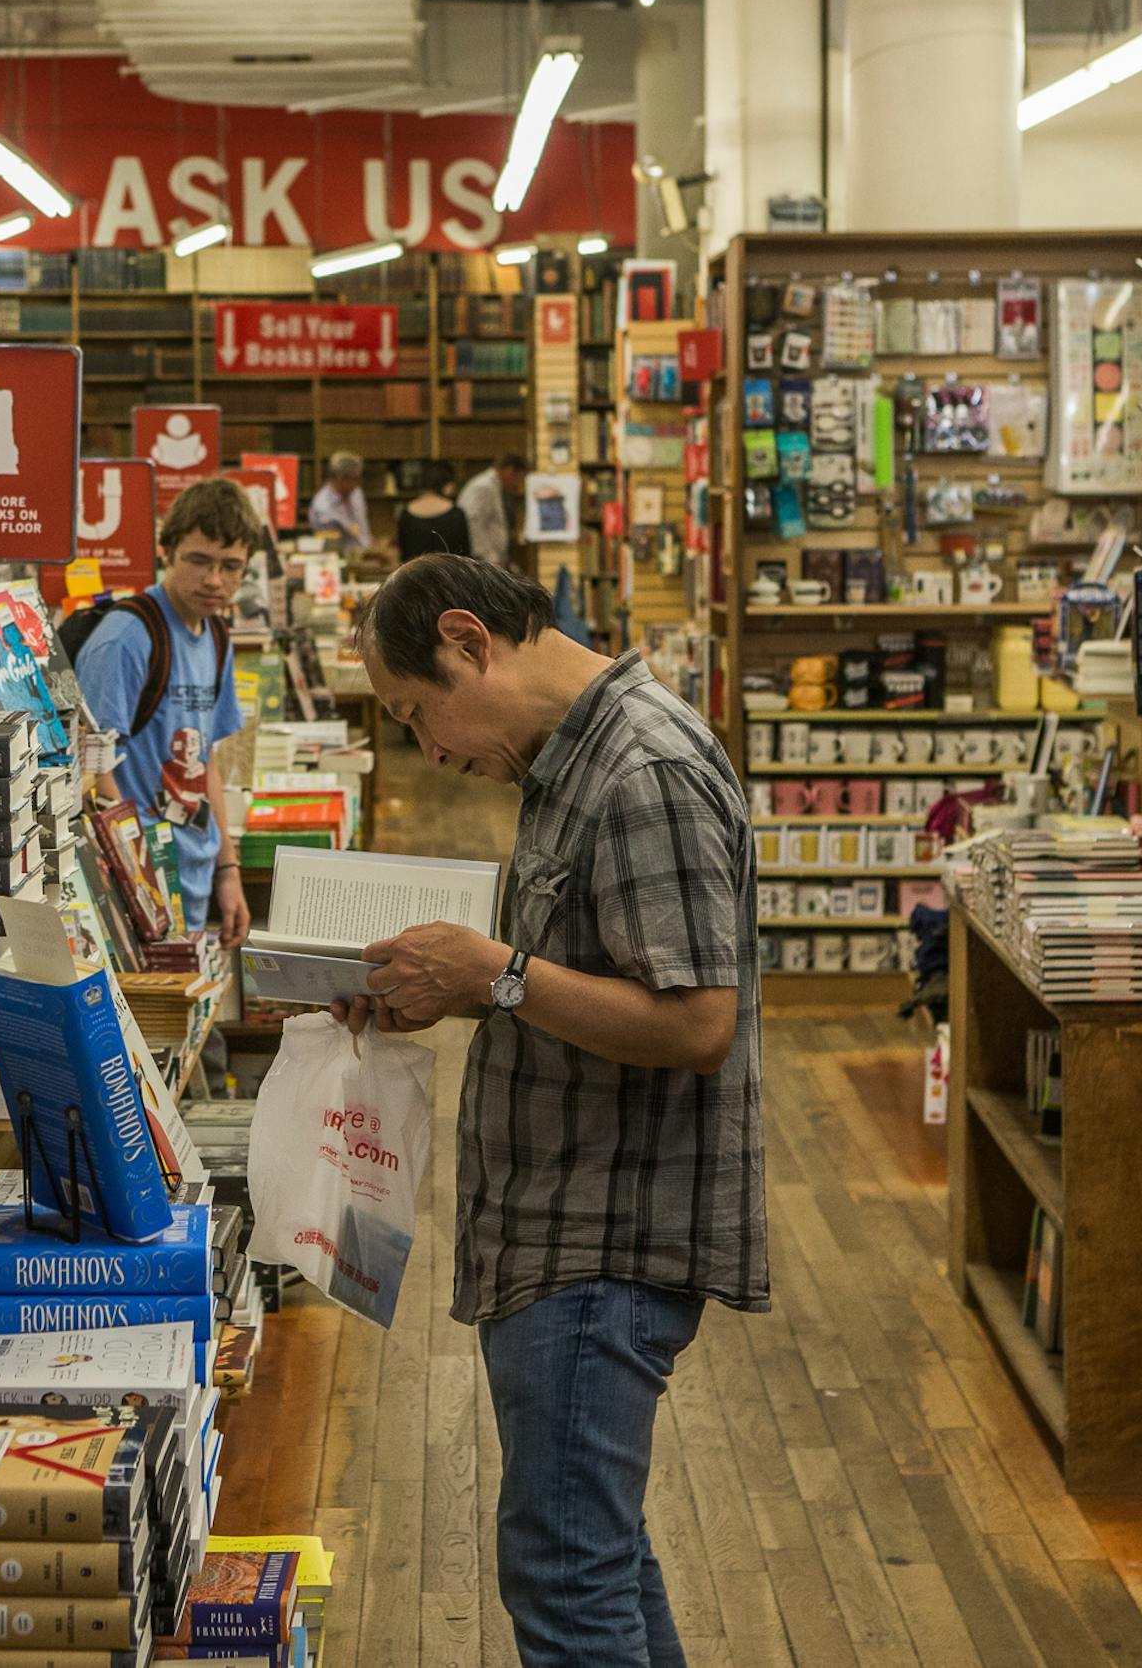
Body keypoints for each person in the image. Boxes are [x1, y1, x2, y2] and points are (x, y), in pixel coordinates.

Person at [338, 553, 765, 1668]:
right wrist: (455, 981)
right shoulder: (570, 760)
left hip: (603, 1241)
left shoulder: (642, 768)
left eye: (418, 712)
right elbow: (573, 973)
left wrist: (496, 975)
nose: (427, 748)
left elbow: (695, 1018)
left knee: (567, 1576)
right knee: (599, 1559)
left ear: (471, 640)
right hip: (564, 1221)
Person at [74, 477, 258, 946]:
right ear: (166, 551)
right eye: (199, 560)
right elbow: (93, 771)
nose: (215, 580)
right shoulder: (127, 637)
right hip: (136, 884)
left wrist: (228, 870)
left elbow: (206, 761)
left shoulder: (216, 636)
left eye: (230, 566)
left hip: (192, 874)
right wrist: (138, 881)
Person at [455, 452, 528, 568]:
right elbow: (472, 522)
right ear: (510, 470)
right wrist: (488, 557)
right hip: (483, 560)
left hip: (490, 559)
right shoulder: (484, 486)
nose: (518, 484)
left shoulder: (493, 485)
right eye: (519, 478)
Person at [396, 460, 472, 561]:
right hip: (448, 574)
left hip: (415, 574)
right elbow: (465, 555)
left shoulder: (406, 513)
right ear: (447, 484)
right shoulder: (456, 514)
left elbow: (403, 554)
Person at [307, 451, 373, 552]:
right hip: (341, 559)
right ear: (340, 478)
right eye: (354, 479)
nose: (358, 484)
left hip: (365, 554)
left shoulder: (357, 494)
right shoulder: (322, 505)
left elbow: (363, 528)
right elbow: (328, 547)